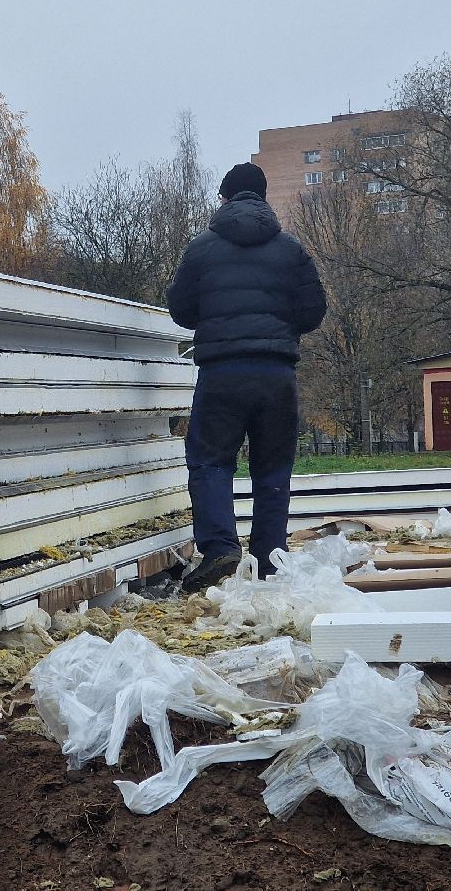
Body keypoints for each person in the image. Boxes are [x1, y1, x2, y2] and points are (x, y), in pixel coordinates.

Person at [165, 161, 327, 593]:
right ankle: (269, 560)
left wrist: (218, 318)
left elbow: (181, 309)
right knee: (273, 467)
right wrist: (278, 325)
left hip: (221, 372)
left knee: (210, 461)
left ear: (224, 198)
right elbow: (313, 311)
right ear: (263, 197)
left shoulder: (201, 249)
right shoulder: (291, 250)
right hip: (276, 373)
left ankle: (220, 548)